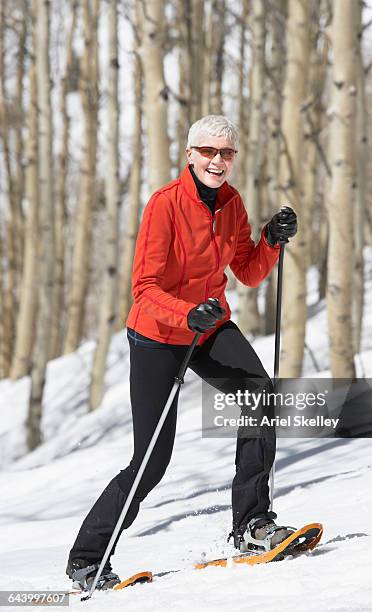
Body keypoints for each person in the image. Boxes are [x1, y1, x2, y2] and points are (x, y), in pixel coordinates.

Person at [66, 115, 297, 591]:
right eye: (209, 152)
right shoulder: (165, 205)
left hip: (208, 326)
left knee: (260, 393)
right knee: (152, 458)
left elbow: (248, 272)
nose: (218, 161)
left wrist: (270, 242)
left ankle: (252, 525)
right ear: (190, 155)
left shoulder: (232, 204)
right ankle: (88, 559)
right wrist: (187, 312)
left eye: (226, 153)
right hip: (157, 334)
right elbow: (143, 287)